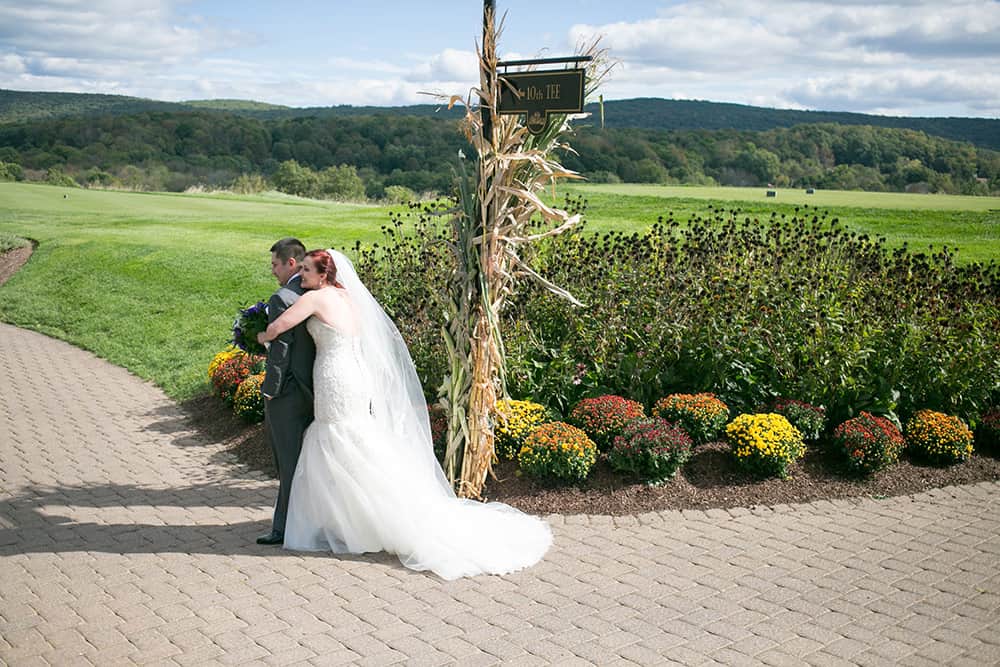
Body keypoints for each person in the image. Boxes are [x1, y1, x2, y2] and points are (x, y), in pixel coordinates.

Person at [257, 249, 552, 579]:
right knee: (354, 441)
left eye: (308, 271)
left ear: (324, 275)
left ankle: (367, 520)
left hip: (335, 376)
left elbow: (279, 326)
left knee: (336, 439)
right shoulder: (348, 297)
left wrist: (260, 336)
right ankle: (355, 518)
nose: (303, 277)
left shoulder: (316, 298)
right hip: (356, 376)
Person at [257, 238, 316, 546]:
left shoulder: (283, 297)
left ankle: (284, 528)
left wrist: (270, 390)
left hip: (288, 392)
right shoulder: (320, 290)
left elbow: (281, 350)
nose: (273, 272)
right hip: (316, 390)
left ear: (290, 263)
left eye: (275, 265)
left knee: (288, 462)